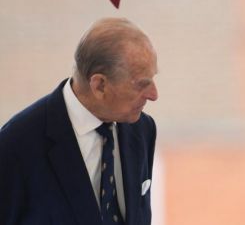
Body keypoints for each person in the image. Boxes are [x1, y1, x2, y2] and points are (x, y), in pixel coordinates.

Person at [0, 17, 159, 225]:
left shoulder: (142, 129)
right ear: (99, 85)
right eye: (141, 84)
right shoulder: (15, 145)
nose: (154, 95)